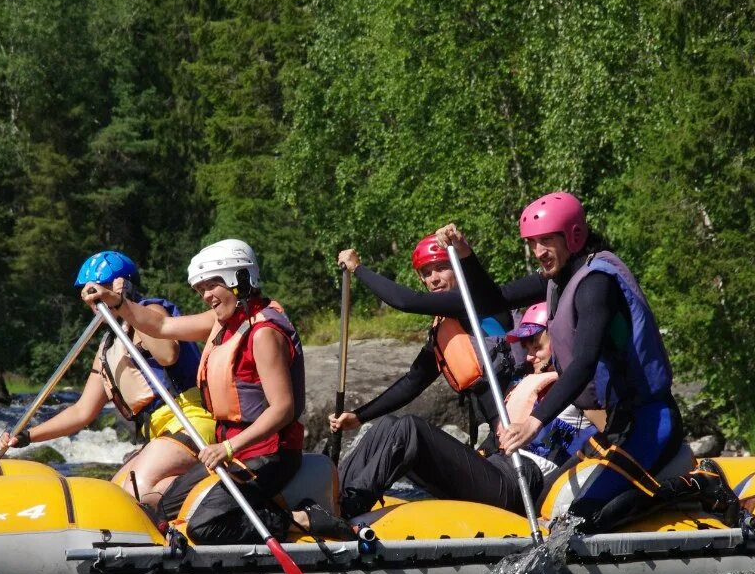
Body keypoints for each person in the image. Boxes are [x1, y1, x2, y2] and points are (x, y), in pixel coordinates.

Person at [446, 191, 690, 527]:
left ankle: (694, 491)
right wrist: (466, 256)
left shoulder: (597, 283)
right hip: (619, 424)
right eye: (532, 243)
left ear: (573, 235)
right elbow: (494, 299)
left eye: (546, 240)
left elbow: (584, 362)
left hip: (652, 420)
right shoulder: (558, 278)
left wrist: (535, 421)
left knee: (580, 519)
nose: (538, 252)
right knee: (554, 508)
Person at [81, 239, 305, 545]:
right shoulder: (222, 322)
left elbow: (283, 409)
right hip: (236, 454)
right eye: (200, 289)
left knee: (204, 526)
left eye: (212, 285)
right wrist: (117, 303)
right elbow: (160, 325)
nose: (206, 296)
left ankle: (300, 521)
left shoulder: (264, 332)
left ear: (239, 279)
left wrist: (227, 448)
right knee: (164, 510)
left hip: (269, 455)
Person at [330, 233, 518, 518]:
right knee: (386, 426)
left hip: (514, 472)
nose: (434, 279)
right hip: (492, 458)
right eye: (426, 273)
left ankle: (349, 511)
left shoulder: (477, 302)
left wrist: (359, 269)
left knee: (410, 430)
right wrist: (359, 416)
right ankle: (335, 501)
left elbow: (406, 302)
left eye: (441, 267)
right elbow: (412, 382)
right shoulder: (447, 326)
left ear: (458, 268)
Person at [0, 250, 213, 500]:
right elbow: (82, 412)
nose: (95, 301)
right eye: (91, 295)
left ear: (121, 286)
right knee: (113, 494)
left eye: (101, 290)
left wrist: (124, 305)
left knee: (135, 492)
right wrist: (27, 436)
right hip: (158, 435)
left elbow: (167, 355)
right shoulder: (108, 347)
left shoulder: (151, 311)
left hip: (189, 420)